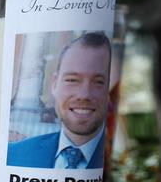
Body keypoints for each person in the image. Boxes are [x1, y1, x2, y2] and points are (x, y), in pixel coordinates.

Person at [7, 31, 111, 169]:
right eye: (72, 80)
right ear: (54, 84)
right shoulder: (15, 155)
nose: (84, 94)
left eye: (99, 82)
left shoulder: (117, 162)